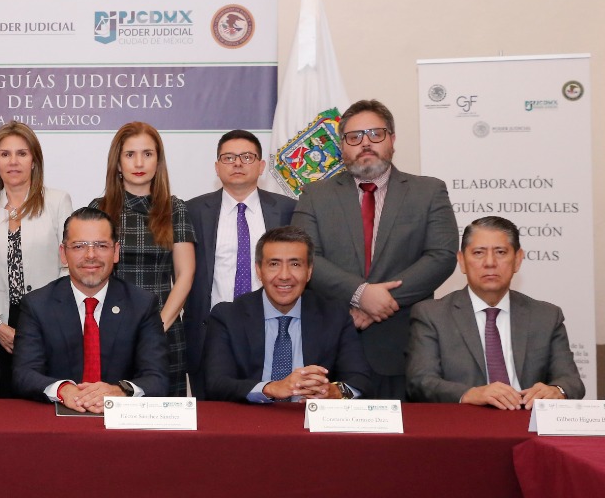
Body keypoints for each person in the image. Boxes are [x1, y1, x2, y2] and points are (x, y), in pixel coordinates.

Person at [292, 99, 457, 399]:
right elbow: (305, 256)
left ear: (392, 139)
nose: (365, 143)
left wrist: (381, 301)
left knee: (403, 431)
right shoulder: (315, 194)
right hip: (332, 348)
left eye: (375, 134)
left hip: (401, 348)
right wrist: (360, 294)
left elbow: (441, 256)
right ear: (342, 147)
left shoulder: (428, 191)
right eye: (354, 137)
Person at [407, 216, 584, 408]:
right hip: (465, 421)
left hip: (527, 419)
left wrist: (557, 390)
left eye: (500, 252)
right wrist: (469, 394)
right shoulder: (432, 315)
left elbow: (571, 381)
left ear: (517, 260)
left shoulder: (546, 316)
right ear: (462, 261)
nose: (490, 262)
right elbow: (420, 382)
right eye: (478, 253)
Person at [11, 207, 168, 412]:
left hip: (121, 422)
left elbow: (157, 378)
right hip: (56, 422)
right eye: (79, 246)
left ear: (116, 252)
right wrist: (64, 390)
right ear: (63, 253)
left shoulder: (142, 304)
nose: (91, 255)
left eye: (101, 245)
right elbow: (24, 374)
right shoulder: (37, 305)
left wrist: (119, 391)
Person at [200, 226, 373, 402]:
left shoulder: (334, 315)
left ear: (309, 271)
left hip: (308, 417)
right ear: (259, 270)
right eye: (274, 264)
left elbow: (361, 383)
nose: (284, 276)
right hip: (251, 416)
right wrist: (271, 388)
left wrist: (334, 392)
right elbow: (216, 384)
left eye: (295, 264)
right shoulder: (228, 316)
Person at [0, 122, 73, 396]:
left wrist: (47, 319)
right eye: (5, 154)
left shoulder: (58, 202)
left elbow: (69, 268)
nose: (13, 161)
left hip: (48, 324)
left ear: (34, 160)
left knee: (45, 401)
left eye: (22, 153)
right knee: (0, 407)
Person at [185, 130, 296, 394]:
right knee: (211, 413)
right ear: (217, 167)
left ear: (261, 166)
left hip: (272, 330)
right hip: (210, 333)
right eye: (229, 157)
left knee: (271, 409)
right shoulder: (192, 211)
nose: (237, 163)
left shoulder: (288, 209)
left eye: (246, 157)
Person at [89, 122, 195, 396]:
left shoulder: (175, 208)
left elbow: (185, 275)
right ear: (118, 163)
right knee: (106, 409)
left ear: (158, 161)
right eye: (130, 154)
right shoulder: (99, 209)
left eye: (147, 154)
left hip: (164, 328)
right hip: (110, 331)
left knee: (164, 416)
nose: (139, 163)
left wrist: (156, 328)